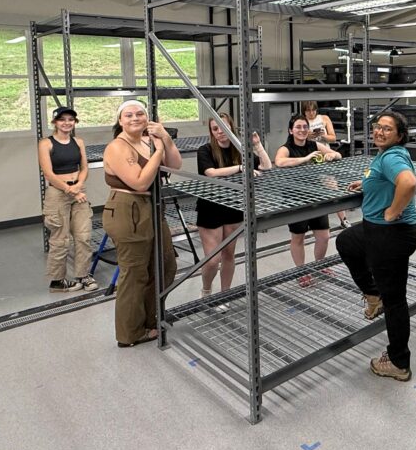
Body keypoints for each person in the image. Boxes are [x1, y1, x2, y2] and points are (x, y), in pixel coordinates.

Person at [336, 110, 416, 382]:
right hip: (380, 233)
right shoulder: (385, 157)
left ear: (399, 135)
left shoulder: (392, 156)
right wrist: (369, 183)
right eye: (377, 127)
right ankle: (374, 295)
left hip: (389, 235)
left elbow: (408, 182)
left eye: (387, 129)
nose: (379, 132)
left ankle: (398, 362)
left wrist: (393, 211)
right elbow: (388, 178)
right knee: (346, 241)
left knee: (395, 300)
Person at [101, 100, 182, 347]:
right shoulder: (118, 147)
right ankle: (130, 333)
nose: (135, 118)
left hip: (153, 210)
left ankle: (150, 319)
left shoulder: (148, 142)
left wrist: (165, 140)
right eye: (129, 115)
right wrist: (158, 152)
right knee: (135, 273)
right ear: (120, 121)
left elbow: (176, 165)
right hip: (129, 210)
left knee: (165, 265)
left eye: (140, 114)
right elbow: (139, 183)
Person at [196, 113, 271, 298]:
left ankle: (224, 294)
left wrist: (257, 145)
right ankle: (206, 289)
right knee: (213, 260)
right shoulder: (205, 150)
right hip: (210, 207)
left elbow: (267, 167)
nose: (220, 132)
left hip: (233, 206)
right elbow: (211, 173)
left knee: (229, 254)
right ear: (211, 132)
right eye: (215, 129)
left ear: (231, 127)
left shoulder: (240, 150)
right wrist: (240, 168)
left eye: (224, 127)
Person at [274, 114, 342, 286]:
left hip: (315, 196)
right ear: (291, 130)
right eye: (298, 127)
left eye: (305, 127)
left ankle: (319, 265)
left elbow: (338, 155)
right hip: (295, 199)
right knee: (298, 237)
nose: (302, 130)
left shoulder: (314, 144)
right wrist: (305, 159)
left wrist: (331, 156)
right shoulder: (286, 148)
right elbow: (279, 162)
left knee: (324, 236)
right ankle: (302, 271)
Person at [37, 105, 97, 293]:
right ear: (55, 122)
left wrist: (78, 185)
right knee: (60, 239)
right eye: (62, 120)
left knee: (84, 236)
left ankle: (83, 275)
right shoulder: (46, 143)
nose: (67, 123)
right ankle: (57, 281)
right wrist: (72, 190)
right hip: (58, 193)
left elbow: (84, 167)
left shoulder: (78, 142)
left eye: (70, 119)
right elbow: (48, 173)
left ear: (75, 122)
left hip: (78, 190)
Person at [302, 100, 350, 229]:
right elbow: (295, 137)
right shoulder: (301, 121)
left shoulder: (324, 118)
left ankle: (343, 219)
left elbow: (333, 137)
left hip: (325, 156)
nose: (311, 113)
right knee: (310, 191)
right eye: (308, 110)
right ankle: (310, 221)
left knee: (333, 187)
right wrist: (307, 136)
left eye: (313, 110)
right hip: (307, 159)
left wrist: (323, 136)